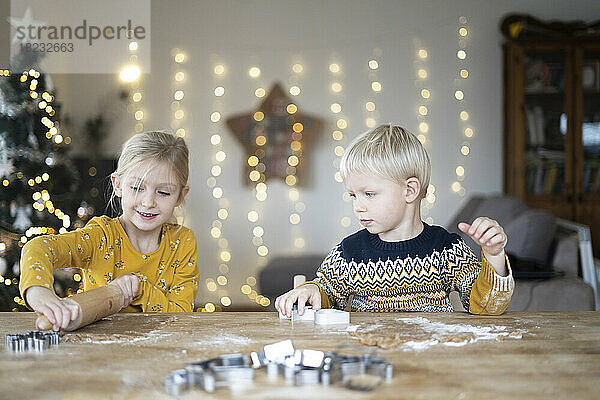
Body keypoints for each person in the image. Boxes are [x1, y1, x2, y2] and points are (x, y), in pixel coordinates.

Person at [275, 124, 514, 317]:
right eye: (353, 196)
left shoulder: (446, 248)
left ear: (409, 191)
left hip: (432, 364)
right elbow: (326, 291)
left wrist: (493, 255)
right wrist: (311, 289)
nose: (358, 207)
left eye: (369, 194)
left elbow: (486, 307)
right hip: (370, 362)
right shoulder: (350, 252)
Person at [20, 131, 200, 330]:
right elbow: (38, 247)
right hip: (98, 348)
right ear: (118, 185)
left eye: (163, 192)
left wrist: (140, 288)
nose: (148, 202)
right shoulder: (101, 236)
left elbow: (181, 316)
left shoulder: (182, 242)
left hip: (160, 353)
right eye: (137, 188)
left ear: (180, 196)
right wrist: (37, 290)